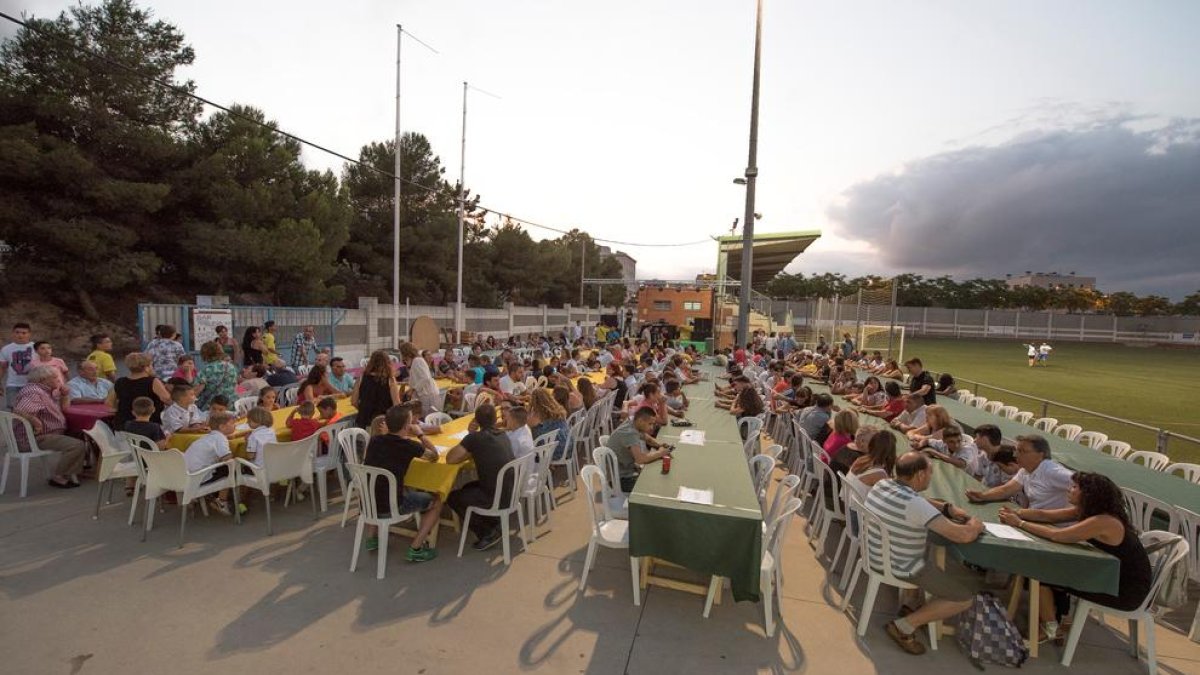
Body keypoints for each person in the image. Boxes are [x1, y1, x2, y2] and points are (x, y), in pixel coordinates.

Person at [998, 472, 1152, 642]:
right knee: (1047, 571)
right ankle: (1059, 617)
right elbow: (1045, 515)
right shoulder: (1090, 512)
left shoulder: (1103, 521)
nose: (1069, 489)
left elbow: (1058, 535)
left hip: (1123, 590)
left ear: (1088, 494)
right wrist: (1017, 512)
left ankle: (1050, 628)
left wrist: (1019, 523)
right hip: (1109, 576)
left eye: (1074, 487)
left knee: (1039, 574)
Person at [868, 452, 984, 656]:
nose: (931, 477)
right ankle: (904, 626)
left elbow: (920, 502)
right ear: (920, 475)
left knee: (929, 550)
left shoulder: (883, 484)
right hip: (902, 566)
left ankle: (910, 605)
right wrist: (975, 524)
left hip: (875, 553)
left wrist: (947, 508)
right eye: (930, 472)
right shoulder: (914, 505)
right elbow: (962, 535)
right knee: (964, 598)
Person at [359, 404, 442, 561]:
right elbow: (434, 456)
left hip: (368, 504)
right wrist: (420, 435)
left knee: (378, 485)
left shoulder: (375, 440)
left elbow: (388, 447)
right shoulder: (408, 446)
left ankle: (371, 538)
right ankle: (416, 547)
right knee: (437, 500)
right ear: (406, 426)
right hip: (392, 506)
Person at [445, 404, 516, 551]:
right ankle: (493, 522)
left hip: (494, 496)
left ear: (476, 421)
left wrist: (468, 436)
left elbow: (451, 458)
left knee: (452, 496)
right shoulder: (502, 434)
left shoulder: (474, 438)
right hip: (510, 490)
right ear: (495, 419)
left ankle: (487, 533)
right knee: (466, 488)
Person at [12, 365, 87, 488]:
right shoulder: (34, 392)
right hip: (35, 438)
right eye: (55, 377)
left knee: (81, 433)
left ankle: (77, 468)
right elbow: (19, 411)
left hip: (48, 433)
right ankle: (59, 476)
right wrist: (35, 421)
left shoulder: (45, 390)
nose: (59, 380)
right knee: (77, 445)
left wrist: (65, 395)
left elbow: (65, 408)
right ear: (43, 379)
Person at [966, 435, 1073, 511]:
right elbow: (1006, 490)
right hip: (1036, 519)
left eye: (1022, 451)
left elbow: (1085, 485)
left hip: (1056, 526)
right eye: (1016, 451)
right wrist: (982, 496)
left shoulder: (1052, 471)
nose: (1016, 455)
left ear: (1040, 455)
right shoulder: (1025, 470)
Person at [182, 411, 239, 516]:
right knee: (231, 467)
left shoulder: (209, 437)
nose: (235, 425)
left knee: (222, 466)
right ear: (222, 427)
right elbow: (227, 458)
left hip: (185, 475)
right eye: (232, 423)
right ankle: (221, 501)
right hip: (198, 478)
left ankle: (208, 497)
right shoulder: (220, 438)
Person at [605, 406, 673, 493]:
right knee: (655, 487)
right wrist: (661, 453)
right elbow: (641, 459)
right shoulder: (630, 433)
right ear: (641, 421)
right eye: (650, 424)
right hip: (620, 479)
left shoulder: (632, 423)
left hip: (624, 470)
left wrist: (659, 444)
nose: (652, 427)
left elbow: (648, 439)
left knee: (653, 477)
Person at [108, 352, 171, 429]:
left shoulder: (120, 381)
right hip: (148, 425)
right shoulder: (153, 382)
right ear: (146, 368)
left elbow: (109, 402)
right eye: (151, 365)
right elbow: (167, 400)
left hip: (123, 425)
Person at [352, 351, 401, 429]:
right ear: (387, 363)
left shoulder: (361, 377)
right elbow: (396, 404)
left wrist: (364, 409)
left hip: (364, 420)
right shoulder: (390, 380)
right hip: (383, 422)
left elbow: (354, 401)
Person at [844, 432, 897, 503]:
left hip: (846, 501)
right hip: (855, 511)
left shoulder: (861, 459)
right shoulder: (879, 474)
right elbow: (887, 498)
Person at [193, 342, 238, 411]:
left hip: (213, 407)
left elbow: (197, 391)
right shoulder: (231, 366)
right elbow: (235, 385)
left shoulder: (206, 370)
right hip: (231, 404)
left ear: (205, 354)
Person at [528, 387, 569, 460]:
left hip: (551, 452)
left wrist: (529, 410)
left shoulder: (536, 416)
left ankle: (544, 465)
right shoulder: (558, 410)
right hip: (566, 446)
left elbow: (526, 428)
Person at [0, 322, 36, 407]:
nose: (20, 335)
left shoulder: (36, 347)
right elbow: (2, 368)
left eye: (24, 333)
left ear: (29, 334)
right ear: (13, 333)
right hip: (13, 385)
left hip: (32, 385)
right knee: (14, 410)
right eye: (17, 332)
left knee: (31, 409)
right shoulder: (6, 349)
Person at [399, 342, 440, 413]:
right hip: (425, 395)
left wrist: (413, 389)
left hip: (427, 396)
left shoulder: (417, 361)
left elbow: (425, 378)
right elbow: (418, 378)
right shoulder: (415, 361)